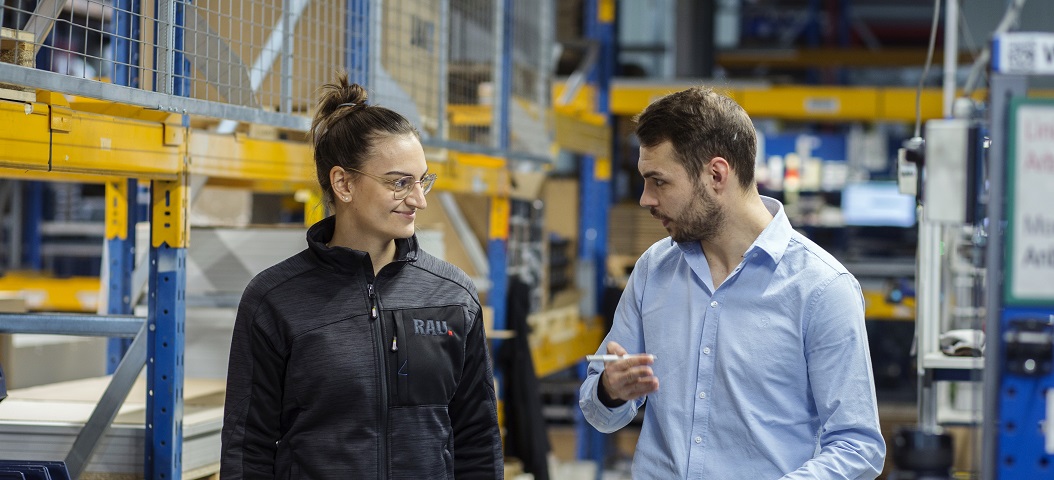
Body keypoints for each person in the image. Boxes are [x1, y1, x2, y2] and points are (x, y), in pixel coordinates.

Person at [579, 86, 886, 479]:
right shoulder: (654, 270)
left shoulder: (822, 289)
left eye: (658, 181)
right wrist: (609, 389)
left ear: (716, 174)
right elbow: (598, 411)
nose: (645, 199)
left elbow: (858, 447)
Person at [221, 71, 503, 479]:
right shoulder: (274, 300)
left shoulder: (453, 294)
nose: (419, 200)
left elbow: (476, 438)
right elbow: (248, 446)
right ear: (344, 184)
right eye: (399, 183)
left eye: (422, 180)